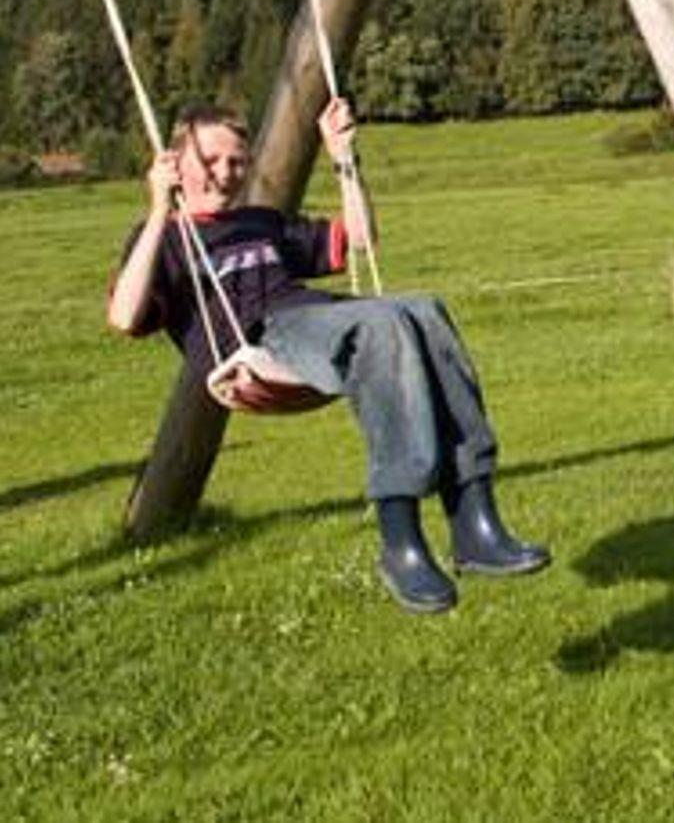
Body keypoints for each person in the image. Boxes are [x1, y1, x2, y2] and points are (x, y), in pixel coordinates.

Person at [107, 98, 548, 614]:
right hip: (261, 341)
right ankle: (400, 541)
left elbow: (359, 239)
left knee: (425, 310)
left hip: (319, 317)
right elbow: (124, 316)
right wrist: (159, 209)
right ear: (175, 161)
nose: (225, 173)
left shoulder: (260, 221)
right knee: (381, 323)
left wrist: (344, 159)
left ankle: (474, 519)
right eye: (210, 160)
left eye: (237, 161)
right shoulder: (164, 239)